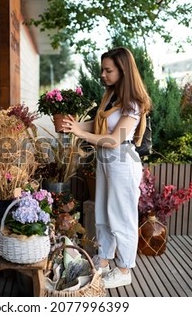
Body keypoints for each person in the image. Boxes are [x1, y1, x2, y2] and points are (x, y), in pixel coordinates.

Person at [62, 47, 151, 289]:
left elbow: (114, 139)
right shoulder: (110, 95)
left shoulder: (134, 102)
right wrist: (76, 125)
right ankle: (103, 261)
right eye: (102, 69)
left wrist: (80, 133)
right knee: (103, 213)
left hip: (121, 160)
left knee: (122, 216)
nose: (103, 74)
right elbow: (99, 124)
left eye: (108, 70)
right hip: (105, 159)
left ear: (123, 71)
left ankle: (124, 269)